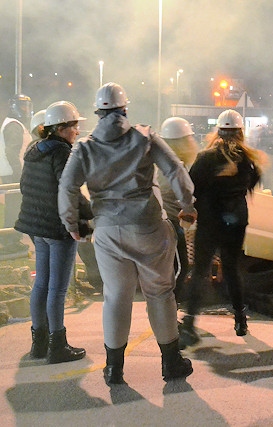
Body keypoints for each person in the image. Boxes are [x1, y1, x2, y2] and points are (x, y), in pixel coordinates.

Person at [58, 82, 197, 385]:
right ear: (125, 109)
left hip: (107, 230)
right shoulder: (145, 137)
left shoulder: (85, 147)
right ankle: (171, 363)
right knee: (159, 293)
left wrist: (72, 224)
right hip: (148, 225)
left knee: (116, 297)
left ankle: (113, 369)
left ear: (97, 112)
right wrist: (188, 204)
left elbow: (67, 186)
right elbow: (175, 170)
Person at [178, 109, 263, 347]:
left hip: (210, 221)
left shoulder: (206, 157)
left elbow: (191, 187)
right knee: (232, 267)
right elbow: (252, 183)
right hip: (236, 220)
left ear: (218, 131)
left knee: (201, 269)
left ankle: (190, 321)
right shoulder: (248, 160)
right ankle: (240, 319)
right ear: (240, 133)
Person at [14, 101, 89, 364]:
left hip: (35, 227)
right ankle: (58, 346)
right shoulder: (62, 153)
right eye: (74, 126)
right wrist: (91, 213)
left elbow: (25, 187)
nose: (77, 131)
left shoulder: (34, 150)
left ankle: (39, 344)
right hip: (57, 229)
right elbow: (69, 192)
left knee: (41, 284)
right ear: (61, 128)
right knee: (57, 289)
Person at [158, 117, 201, 302]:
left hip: (164, 221)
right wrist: (190, 208)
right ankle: (168, 310)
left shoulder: (158, 162)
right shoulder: (174, 165)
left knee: (170, 269)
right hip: (170, 223)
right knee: (180, 268)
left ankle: (166, 310)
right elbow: (182, 195)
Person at [0, 94, 33, 258]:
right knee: (15, 207)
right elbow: (12, 152)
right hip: (14, 174)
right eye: (22, 106)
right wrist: (20, 174)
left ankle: (11, 240)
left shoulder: (14, 123)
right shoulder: (13, 125)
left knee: (15, 207)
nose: (25, 110)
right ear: (14, 106)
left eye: (27, 106)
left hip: (13, 172)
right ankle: (10, 241)